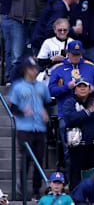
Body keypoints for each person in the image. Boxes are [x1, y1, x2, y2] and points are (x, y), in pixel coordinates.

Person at [9, 57, 51, 199]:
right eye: (30, 68)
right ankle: (22, 190)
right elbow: (13, 107)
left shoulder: (41, 86)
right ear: (25, 70)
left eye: (35, 68)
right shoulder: (18, 86)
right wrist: (23, 111)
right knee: (26, 158)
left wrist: (46, 113)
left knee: (38, 158)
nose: (33, 71)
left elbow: (47, 102)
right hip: (24, 127)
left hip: (39, 127)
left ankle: (36, 191)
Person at [62, 78, 94, 187]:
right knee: (76, 176)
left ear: (89, 89)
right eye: (79, 86)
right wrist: (88, 112)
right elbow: (70, 119)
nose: (83, 88)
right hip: (77, 146)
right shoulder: (69, 103)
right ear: (75, 90)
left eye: (85, 86)